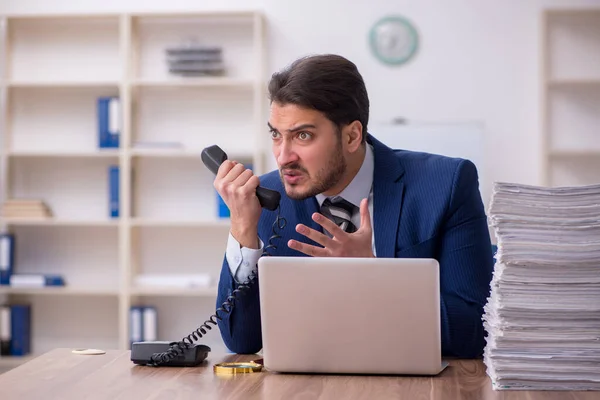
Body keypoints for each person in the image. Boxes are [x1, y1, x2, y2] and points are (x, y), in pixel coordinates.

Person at [213, 54, 494, 359]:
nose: (283, 157)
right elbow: (241, 340)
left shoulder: (447, 185)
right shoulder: (267, 200)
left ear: (351, 136)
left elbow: (476, 330)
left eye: (302, 136)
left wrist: (374, 276)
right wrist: (242, 228)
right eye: (276, 135)